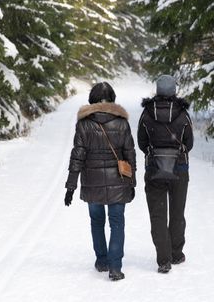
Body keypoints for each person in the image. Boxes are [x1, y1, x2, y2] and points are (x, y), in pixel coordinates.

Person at [64, 82, 136, 281]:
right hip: (118, 182)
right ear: (112, 98)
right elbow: (130, 154)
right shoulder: (122, 122)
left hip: (92, 182)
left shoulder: (84, 123)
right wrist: (132, 182)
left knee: (97, 222)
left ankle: (102, 260)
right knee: (117, 223)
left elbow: (77, 155)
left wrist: (71, 185)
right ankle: (115, 267)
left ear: (92, 99)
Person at [137, 75, 193, 274]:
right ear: (174, 91)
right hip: (179, 169)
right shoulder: (184, 114)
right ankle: (176, 254)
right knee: (177, 212)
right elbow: (190, 144)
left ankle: (163, 260)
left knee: (158, 215)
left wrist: (156, 154)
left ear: (157, 90)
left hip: (154, 169)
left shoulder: (146, 114)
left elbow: (142, 143)